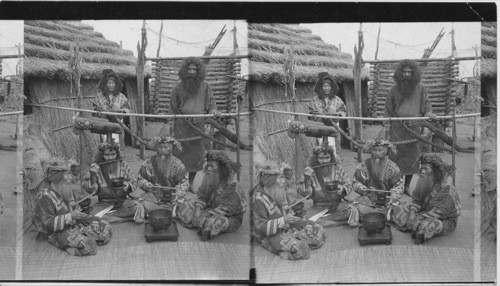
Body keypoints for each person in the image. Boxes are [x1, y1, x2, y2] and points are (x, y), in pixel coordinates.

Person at [32, 157, 112, 256]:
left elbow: (73, 205)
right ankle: (73, 243)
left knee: (103, 224)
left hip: (72, 222)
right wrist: (70, 216)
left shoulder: (64, 188)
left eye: (70, 173)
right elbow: (47, 223)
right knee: (85, 244)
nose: (70, 177)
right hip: (56, 230)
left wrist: (78, 211)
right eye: (67, 174)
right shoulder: (44, 195)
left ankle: (82, 235)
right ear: (57, 176)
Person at [252, 161, 326, 261]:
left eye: (283, 177)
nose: (284, 181)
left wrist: (291, 215)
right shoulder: (258, 199)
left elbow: (288, 209)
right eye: (280, 177)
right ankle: (287, 248)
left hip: (287, 227)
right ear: (270, 180)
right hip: (270, 235)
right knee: (300, 249)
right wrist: (283, 221)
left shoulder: (279, 189)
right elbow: (260, 227)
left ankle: (292, 241)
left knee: (317, 227)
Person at [385, 60, 437, 195]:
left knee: (412, 160)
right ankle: (399, 186)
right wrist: (387, 125)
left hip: (414, 129)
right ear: (400, 73)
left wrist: (429, 113)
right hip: (397, 129)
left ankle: (407, 187)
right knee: (396, 159)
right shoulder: (393, 90)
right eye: (405, 72)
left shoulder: (421, 89)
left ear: (414, 74)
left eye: (410, 72)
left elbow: (427, 106)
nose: (407, 74)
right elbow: (388, 110)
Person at [169, 57, 221, 190]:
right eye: (189, 69)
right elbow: (172, 107)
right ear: (185, 71)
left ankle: (191, 184)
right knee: (180, 156)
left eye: (194, 70)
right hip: (182, 126)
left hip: (198, 126)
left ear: (199, 71)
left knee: (196, 157)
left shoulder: (206, 86)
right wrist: (171, 124)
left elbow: (211, 103)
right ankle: (181, 183)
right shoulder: (178, 87)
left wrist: (214, 111)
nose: (192, 72)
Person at [390, 154, 461, 244]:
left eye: (426, 169)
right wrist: (412, 213)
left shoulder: (446, 187)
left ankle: (417, 230)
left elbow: (439, 212)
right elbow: (416, 200)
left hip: (443, 219)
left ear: (435, 171)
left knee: (426, 225)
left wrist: (417, 218)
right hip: (423, 211)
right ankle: (413, 225)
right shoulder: (423, 181)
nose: (422, 172)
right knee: (398, 208)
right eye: (421, 168)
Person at [175, 151, 246, 241]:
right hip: (209, 208)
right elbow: (202, 196)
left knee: (213, 222)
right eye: (208, 165)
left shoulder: (232, 185)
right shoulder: (209, 177)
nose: (208, 169)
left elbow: (225, 210)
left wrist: (202, 215)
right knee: (183, 205)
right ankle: (200, 223)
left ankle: (203, 227)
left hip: (229, 216)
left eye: (212, 166)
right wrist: (197, 210)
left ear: (221, 168)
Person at [349, 140, 404, 226]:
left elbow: (399, 185)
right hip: (368, 200)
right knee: (353, 207)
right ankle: (382, 216)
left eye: (381, 150)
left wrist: (394, 193)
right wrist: (360, 187)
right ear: (371, 150)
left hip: (387, 201)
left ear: (387, 151)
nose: (377, 153)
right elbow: (355, 182)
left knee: (400, 209)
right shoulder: (363, 166)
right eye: (375, 150)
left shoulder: (393, 167)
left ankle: (374, 215)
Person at [82, 139, 137, 223]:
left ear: (117, 154)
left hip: (123, 202)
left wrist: (128, 185)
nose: (111, 158)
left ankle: (112, 219)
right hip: (104, 204)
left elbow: (134, 181)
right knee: (92, 215)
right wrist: (92, 175)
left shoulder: (123, 165)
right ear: (102, 155)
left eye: (113, 154)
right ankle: (127, 219)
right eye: (107, 155)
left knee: (138, 207)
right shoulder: (96, 168)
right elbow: (91, 190)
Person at [297, 144, 352, 226]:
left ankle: (325, 222)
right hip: (318, 207)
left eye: (327, 158)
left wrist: (343, 189)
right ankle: (342, 222)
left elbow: (349, 185)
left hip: (338, 205)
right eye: (321, 158)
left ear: (332, 157)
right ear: (316, 159)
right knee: (307, 218)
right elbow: (306, 195)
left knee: (352, 211)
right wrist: (307, 178)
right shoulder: (310, 172)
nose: (325, 161)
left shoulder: (338, 168)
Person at [309, 72, 347, 158]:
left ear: (331, 87)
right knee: (321, 148)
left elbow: (343, 111)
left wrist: (338, 115)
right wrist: (313, 113)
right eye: (324, 86)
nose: (326, 88)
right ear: (321, 88)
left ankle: (335, 164)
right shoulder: (315, 100)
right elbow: (310, 112)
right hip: (320, 126)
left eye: (328, 86)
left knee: (333, 149)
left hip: (333, 126)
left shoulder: (337, 100)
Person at [93, 69, 131, 152]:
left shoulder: (121, 97)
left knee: (116, 144)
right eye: (109, 83)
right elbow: (94, 109)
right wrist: (99, 110)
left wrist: (121, 111)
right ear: (105, 84)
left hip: (117, 123)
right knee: (105, 143)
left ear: (115, 84)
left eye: (112, 83)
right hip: (104, 123)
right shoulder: (100, 96)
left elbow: (128, 108)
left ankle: (118, 160)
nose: (110, 85)